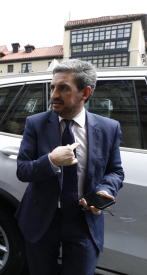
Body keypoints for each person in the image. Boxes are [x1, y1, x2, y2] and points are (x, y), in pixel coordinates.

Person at [15, 59, 124, 275]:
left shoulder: (108, 128)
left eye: (63, 88)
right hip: (42, 219)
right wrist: (51, 161)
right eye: (53, 87)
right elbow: (23, 170)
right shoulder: (35, 124)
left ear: (85, 93)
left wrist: (105, 191)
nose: (54, 94)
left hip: (84, 219)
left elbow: (115, 171)